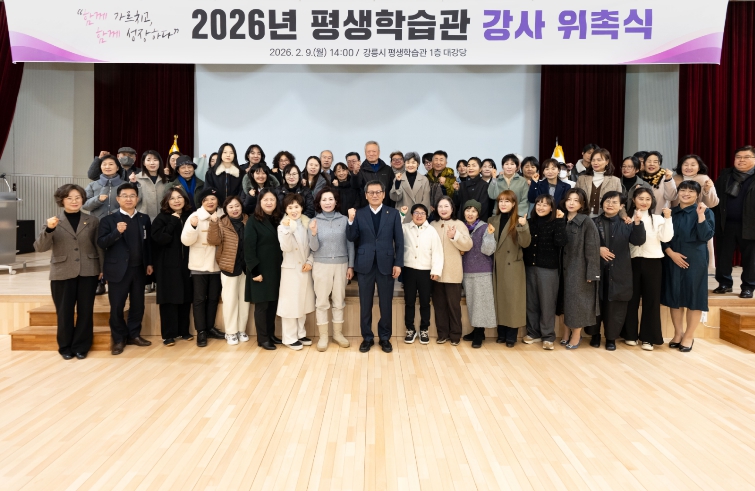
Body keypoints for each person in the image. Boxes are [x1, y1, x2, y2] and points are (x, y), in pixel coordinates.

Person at [34, 184, 103, 359]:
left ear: (83, 199)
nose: (74, 201)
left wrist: (102, 269)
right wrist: (49, 229)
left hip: (89, 270)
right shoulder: (53, 221)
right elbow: (40, 247)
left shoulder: (93, 220)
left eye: (78, 197)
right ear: (62, 200)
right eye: (69, 198)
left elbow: (99, 247)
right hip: (62, 271)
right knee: (64, 311)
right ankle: (65, 347)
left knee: (85, 311)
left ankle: (81, 346)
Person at [346, 180, 404, 353]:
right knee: (365, 304)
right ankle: (367, 338)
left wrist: (398, 263)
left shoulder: (393, 213)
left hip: (387, 264)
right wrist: (350, 220)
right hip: (365, 264)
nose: (375, 195)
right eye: (371, 192)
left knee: (386, 304)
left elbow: (399, 241)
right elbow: (351, 237)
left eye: (378, 192)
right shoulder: (359, 213)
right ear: (366, 195)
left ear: (384, 194)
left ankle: (385, 338)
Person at [97, 183, 153, 355]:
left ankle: (134, 335)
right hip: (117, 270)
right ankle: (119, 339)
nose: (129, 199)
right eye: (125, 196)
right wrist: (116, 232)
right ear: (118, 199)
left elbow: (148, 244)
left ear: (137, 199)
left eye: (132, 196)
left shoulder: (144, 219)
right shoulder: (108, 220)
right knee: (117, 307)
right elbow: (101, 243)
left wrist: (149, 263)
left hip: (139, 269)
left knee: (138, 305)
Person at [585, 192, 646, 350]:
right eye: (607, 201)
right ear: (602, 204)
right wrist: (598, 249)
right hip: (597, 269)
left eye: (614, 202)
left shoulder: (627, 223)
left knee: (615, 306)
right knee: (596, 302)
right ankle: (595, 335)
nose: (610, 204)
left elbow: (638, 241)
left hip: (619, 270)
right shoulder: (592, 222)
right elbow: (584, 243)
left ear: (621, 206)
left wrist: (637, 222)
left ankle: (611, 338)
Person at [662, 181, 715, 352]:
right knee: (675, 296)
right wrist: (671, 253)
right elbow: (662, 237)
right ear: (677, 193)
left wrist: (701, 216)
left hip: (695, 259)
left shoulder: (706, 212)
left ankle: (689, 336)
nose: (686, 193)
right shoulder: (670, 212)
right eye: (683, 190)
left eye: (691, 191)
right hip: (672, 257)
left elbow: (706, 235)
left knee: (695, 297)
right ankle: (678, 333)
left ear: (698, 195)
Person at [621, 187, 674, 350]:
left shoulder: (658, 218)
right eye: (640, 198)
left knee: (651, 300)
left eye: (647, 199)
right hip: (631, 262)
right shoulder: (626, 218)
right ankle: (630, 334)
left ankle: (648, 338)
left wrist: (668, 219)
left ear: (652, 201)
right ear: (633, 200)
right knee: (631, 299)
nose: (644, 202)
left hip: (653, 262)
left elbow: (666, 237)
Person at [482, 190, 531, 347]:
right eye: (501, 201)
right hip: (496, 264)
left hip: (513, 266)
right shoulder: (492, 220)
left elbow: (525, 243)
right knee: (500, 299)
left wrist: (523, 227)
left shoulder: (520, 220)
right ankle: (501, 332)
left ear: (514, 203)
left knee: (512, 301)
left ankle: (511, 334)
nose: (503, 204)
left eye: (507, 201)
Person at [181, 187, 226, 347]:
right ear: (201, 202)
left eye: (213, 199)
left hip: (217, 264)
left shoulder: (223, 216)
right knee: (199, 299)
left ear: (218, 201)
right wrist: (193, 227)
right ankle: (201, 331)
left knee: (213, 298)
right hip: (199, 264)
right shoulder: (195, 216)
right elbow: (186, 241)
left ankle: (210, 328)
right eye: (206, 200)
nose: (210, 202)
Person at [309, 189, 354, 351]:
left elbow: (350, 244)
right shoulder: (314, 221)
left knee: (338, 301)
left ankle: (337, 334)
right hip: (321, 265)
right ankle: (323, 337)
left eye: (330, 199)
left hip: (341, 265)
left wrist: (351, 266)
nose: (327, 202)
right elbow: (313, 248)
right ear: (319, 203)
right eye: (324, 200)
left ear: (336, 201)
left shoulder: (344, 220)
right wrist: (313, 233)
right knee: (322, 302)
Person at [522, 195, 567, 350]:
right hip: (529, 267)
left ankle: (548, 336)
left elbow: (561, 242)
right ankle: (533, 333)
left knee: (547, 303)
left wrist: (560, 221)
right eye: (538, 204)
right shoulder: (529, 222)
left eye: (545, 205)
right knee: (531, 302)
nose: (541, 207)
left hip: (548, 269)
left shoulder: (557, 222)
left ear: (552, 208)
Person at [151, 188, 194, 346]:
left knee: (185, 298)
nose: (177, 201)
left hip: (187, 264)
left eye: (179, 197)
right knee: (169, 299)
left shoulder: (190, 216)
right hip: (167, 266)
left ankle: (183, 331)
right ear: (167, 202)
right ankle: (168, 334)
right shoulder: (161, 218)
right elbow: (160, 239)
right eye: (172, 198)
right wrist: (172, 222)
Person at [560, 188, 601, 349]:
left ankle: (576, 335)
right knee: (564, 302)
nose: (571, 203)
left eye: (576, 200)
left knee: (576, 303)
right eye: (569, 199)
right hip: (562, 268)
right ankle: (565, 332)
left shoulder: (586, 222)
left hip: (579, 269)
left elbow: (592, 249)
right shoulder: (561, 218)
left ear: (582, 204)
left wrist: (592, 273)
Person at [712, 145, 755, 298]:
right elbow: (715, 198)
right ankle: (724, 284)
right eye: (738, 157)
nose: (741, 160)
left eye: (746, 157)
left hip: (750, 225)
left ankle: (748, 287)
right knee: (723, 256)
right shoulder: (725, 175)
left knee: (751, 259)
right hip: (726, 224)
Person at [208, 196, 250, 346]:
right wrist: (213, 224)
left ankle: (241, 329)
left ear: (241, 206)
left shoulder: (248, 220)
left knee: (244, 301)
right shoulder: (221, 222)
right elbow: (213, 241)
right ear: (225, 209)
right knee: (230, 300)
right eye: (230, 207)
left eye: (237, 206)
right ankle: (231, 332)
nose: (234, 209)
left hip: (246, 267)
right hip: (229, 266)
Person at [245, 189, 284, 350]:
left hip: (276, 269)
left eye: (272, 199)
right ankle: (262, 338)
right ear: (259, 202)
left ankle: (270, 334)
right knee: (262, 306)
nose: (269, 202)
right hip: (260, 270)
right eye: (265, 199)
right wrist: (254, 271)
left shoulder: (279, 219)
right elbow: (248, 247)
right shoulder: (253, 220)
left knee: (273, 303)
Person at [430, 197, 473, 344]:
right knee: (439, 306)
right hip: (436, 272)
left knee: (454, 306)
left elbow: (468, 245)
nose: (443, 209)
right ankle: (442, 334)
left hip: (453, 272)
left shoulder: (459, 224)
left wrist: (455, 236)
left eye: (446, 206)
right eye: (440, 206)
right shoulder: (432, 225)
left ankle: (455, 335)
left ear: (452, 208)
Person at [276, 193, 316, 350]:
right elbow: (285, 247)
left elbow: (314, 246)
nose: (294, 210)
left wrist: (310, 261)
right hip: (291, 271)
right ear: (285, 210)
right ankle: (289, 337)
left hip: (305, 269)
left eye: (296, 207)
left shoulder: (307, 224)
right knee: (291, 305)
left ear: (302, 208)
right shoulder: (282, 227)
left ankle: (300, 334)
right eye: (290, 207)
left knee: (303, 303)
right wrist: (287, 229)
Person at [400, 203, 443, 345]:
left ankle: (424, 329)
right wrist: (401, 215)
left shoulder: (431, 231)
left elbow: (437, 252)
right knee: (409, 301)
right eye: (416, 213)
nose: (419, 216)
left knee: (425, 302)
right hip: (409, 270)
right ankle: (410, 329)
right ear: (411, 215)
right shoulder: (405, 228)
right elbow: (393, 229)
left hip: (426, 271)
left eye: (422, 213)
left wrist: (436, 270)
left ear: (427, 216)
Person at [460, 200, 497, 348]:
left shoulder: (484, 227)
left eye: (474, 211)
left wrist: (489, 235)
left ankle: (479, 334)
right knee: (472, 303)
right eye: (467, 210)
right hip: (466, 271)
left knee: (481, 303)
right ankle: (477, 331)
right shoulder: (461, 227)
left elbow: (488, 250)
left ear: (478, 214)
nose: (470, 213)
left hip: (482, 271)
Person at [576, 148, 623, 218]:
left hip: (606, 217)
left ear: (607, 162)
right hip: (584, 216)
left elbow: (620, 201)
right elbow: (576, 198)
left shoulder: (615, 180)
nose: (595, 163)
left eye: (599, 160)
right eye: (593, 160)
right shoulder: (581, 179)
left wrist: (624, 216)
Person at [390, 151, 432, 224]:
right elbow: (395, 198)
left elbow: (426, 201)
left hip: (419, 217)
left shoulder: (424, 179)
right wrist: (397, 182)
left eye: (413, 162)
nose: (410, 165)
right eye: (408, 162)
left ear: (418, 164)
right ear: (404, 163)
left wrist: (421, 214)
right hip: (403, 216)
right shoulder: (398, 178)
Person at [353, 141, 395, 207]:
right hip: (366, 208)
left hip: (386, 207)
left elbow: (392, 189)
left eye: (374, 151)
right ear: (365, 153)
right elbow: (355, 187)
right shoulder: (360, 170)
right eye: (368, 152)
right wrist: (355, 174)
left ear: (379, 152)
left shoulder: (388, 169)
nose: (371, 154)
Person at [83, 154, 124, 219]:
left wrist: (116, 213)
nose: (107, 167)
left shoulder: (125, 185)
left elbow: (131, 205)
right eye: (104, 164)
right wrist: (98, 199)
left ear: (117, 168)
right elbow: (85, 206)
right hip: (97, 222)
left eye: (111, 164)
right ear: (100, 167)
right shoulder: (92, 185)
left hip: (120, 221)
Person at [453, 157, 493, 222]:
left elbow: (484, 208)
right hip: (463, 221)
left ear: (480, 169)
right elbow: (457, 203)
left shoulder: (485, 185)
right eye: (468, 166)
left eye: (474, 166)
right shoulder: (462, 185)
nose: (470, 168)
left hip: (478, 222)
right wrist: (456, 191)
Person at [134, 150, 169, 221]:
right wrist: (133, 183)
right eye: (148, 160)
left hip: (163, 218)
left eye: (155, 160)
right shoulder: (136, 179)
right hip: (142, 218)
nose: (152, 163)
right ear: (144, 163)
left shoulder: (166, 180)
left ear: (159, 162)